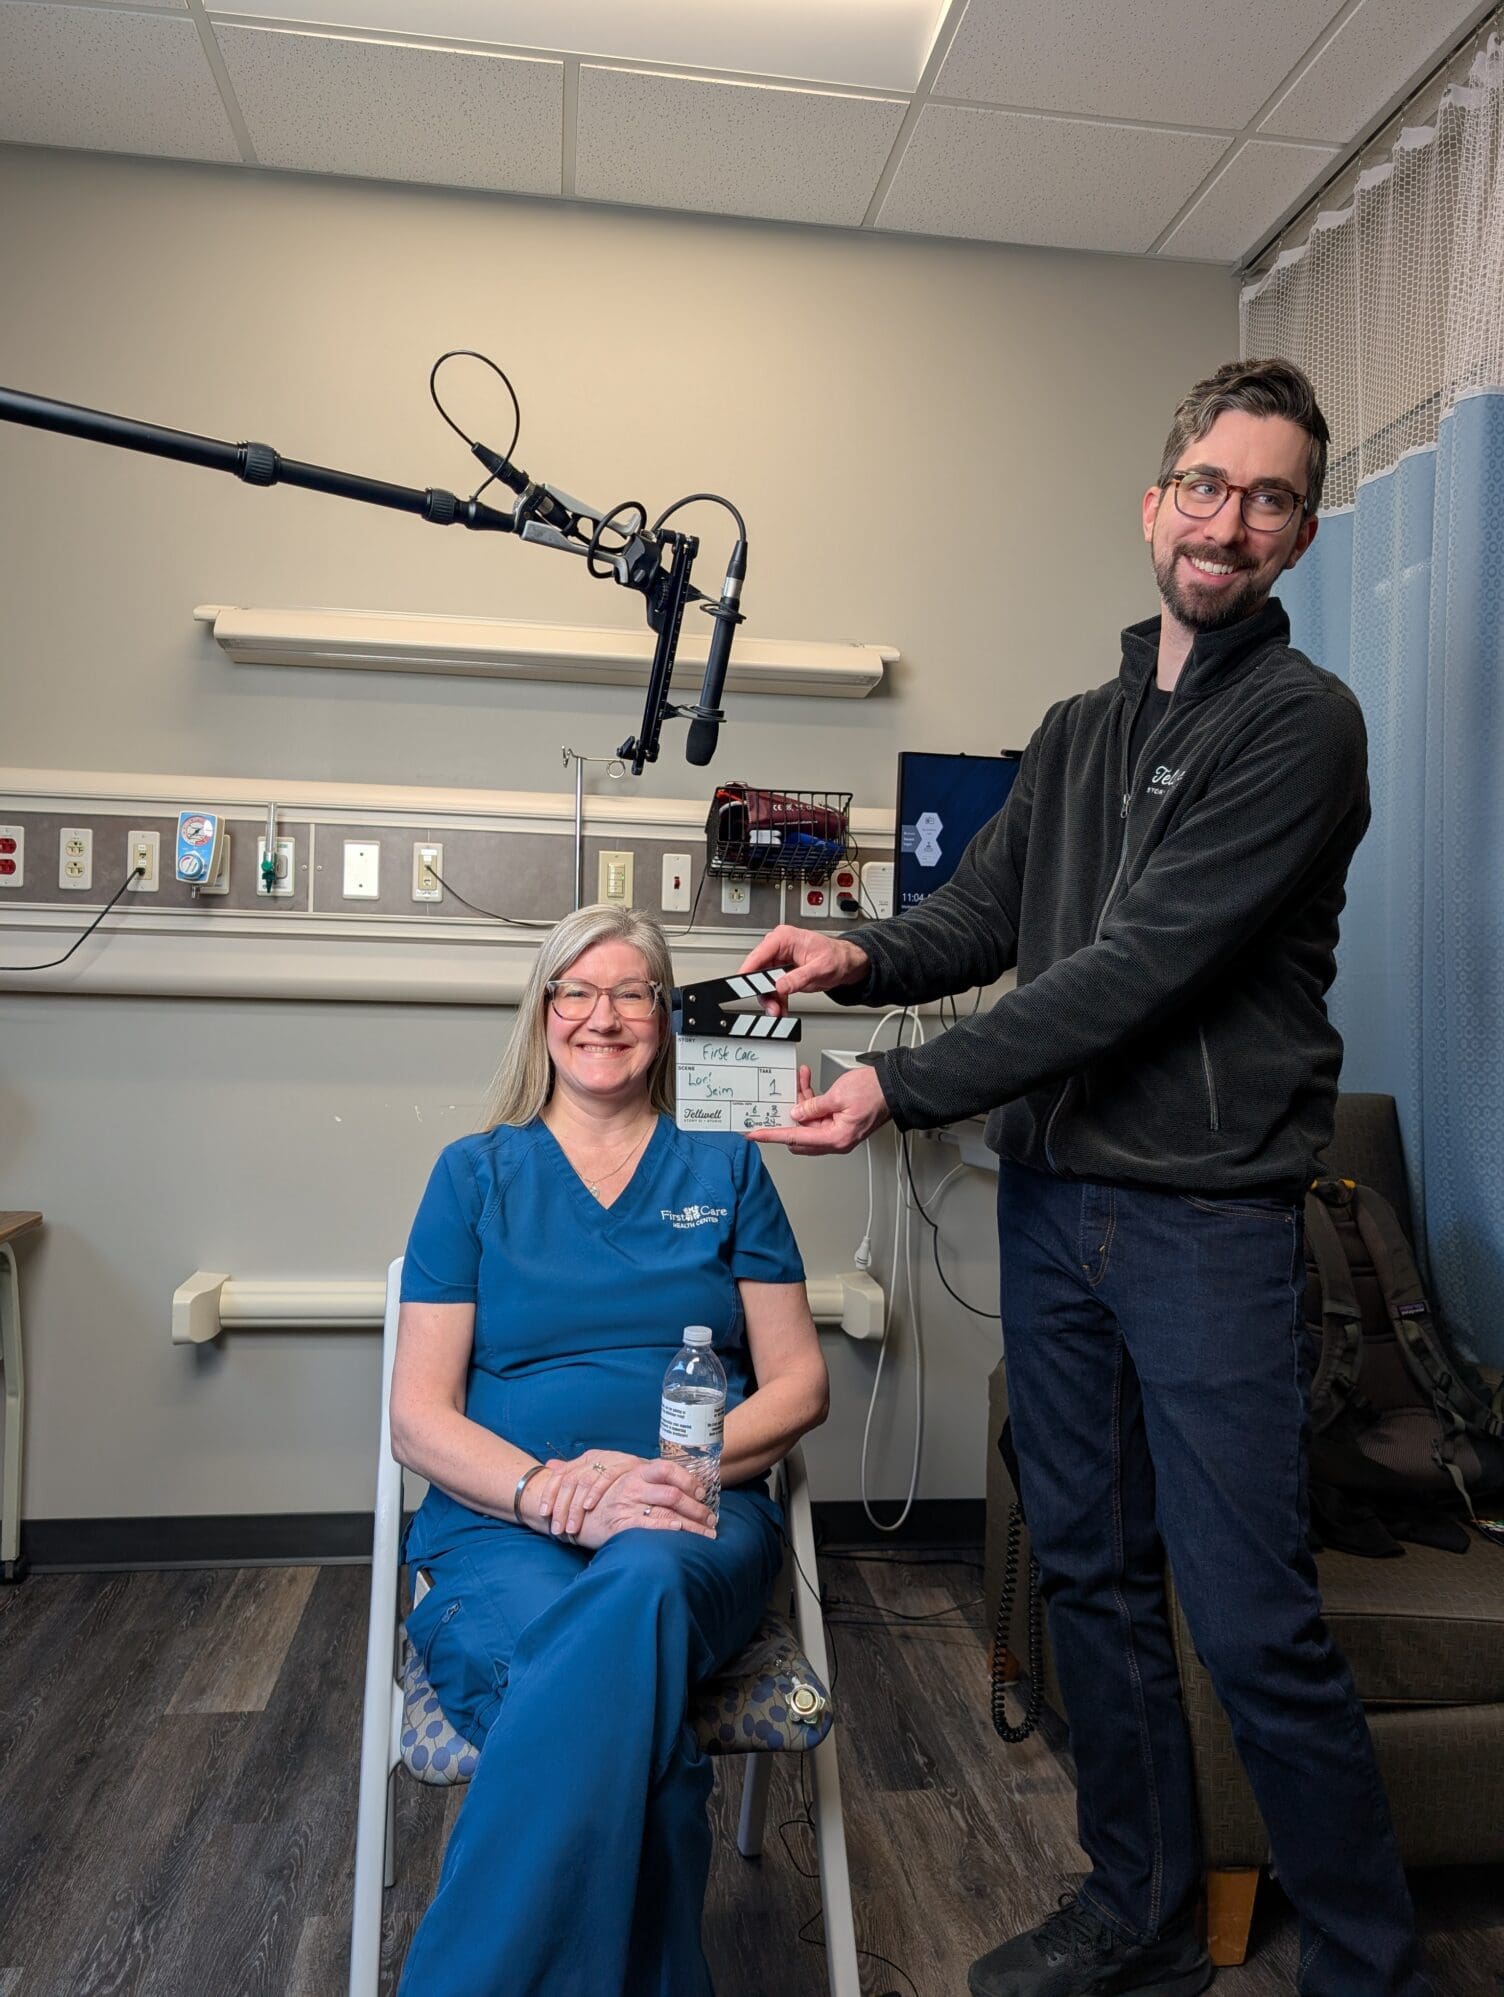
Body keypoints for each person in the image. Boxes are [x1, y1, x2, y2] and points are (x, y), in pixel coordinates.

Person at [741, 360, 1430, 1997]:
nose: (1226, 518)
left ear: (1297, 532)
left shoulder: (1298, 725)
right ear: (1153, 501)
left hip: (1201, 1228)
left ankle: (1365, 1963)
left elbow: (1131, 969)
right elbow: (981, 926)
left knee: (1249, 1620)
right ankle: (1135, 1910)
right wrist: (850, 956)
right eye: (1203, 482)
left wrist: (894, 1088)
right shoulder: (1072, 733)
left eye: (1265, 497)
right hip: (1051, 1214)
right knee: (1089, 1582)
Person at [390, 901, 828, 1997]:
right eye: (575, 991)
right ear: (542, 1015)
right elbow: (418, 1415)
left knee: (634, 1585)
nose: (603, 1015)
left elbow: (799, 1384)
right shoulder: (473, 1173)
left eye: (631, 990)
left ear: (665, 1017)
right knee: (643, 1754)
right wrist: (550, 1493)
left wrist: (667, 1475)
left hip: (692, 1519)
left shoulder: (724, 1168)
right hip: (501, 1526)